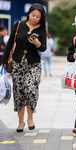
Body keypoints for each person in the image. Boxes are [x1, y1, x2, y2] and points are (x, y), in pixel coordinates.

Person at [1, 3, 47, 132]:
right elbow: (10, 43)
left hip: (34, 65)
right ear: (29, 14)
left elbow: (43, 48)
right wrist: (3, 61)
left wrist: (38, 44)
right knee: (19, 92)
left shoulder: (42, 30)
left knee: (30, 89)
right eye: (33, 15)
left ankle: (30, 118)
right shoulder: (19, 25)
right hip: (17, 64)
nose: (35, 19)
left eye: (38, 17)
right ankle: (21, 122)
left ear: (41, 18)